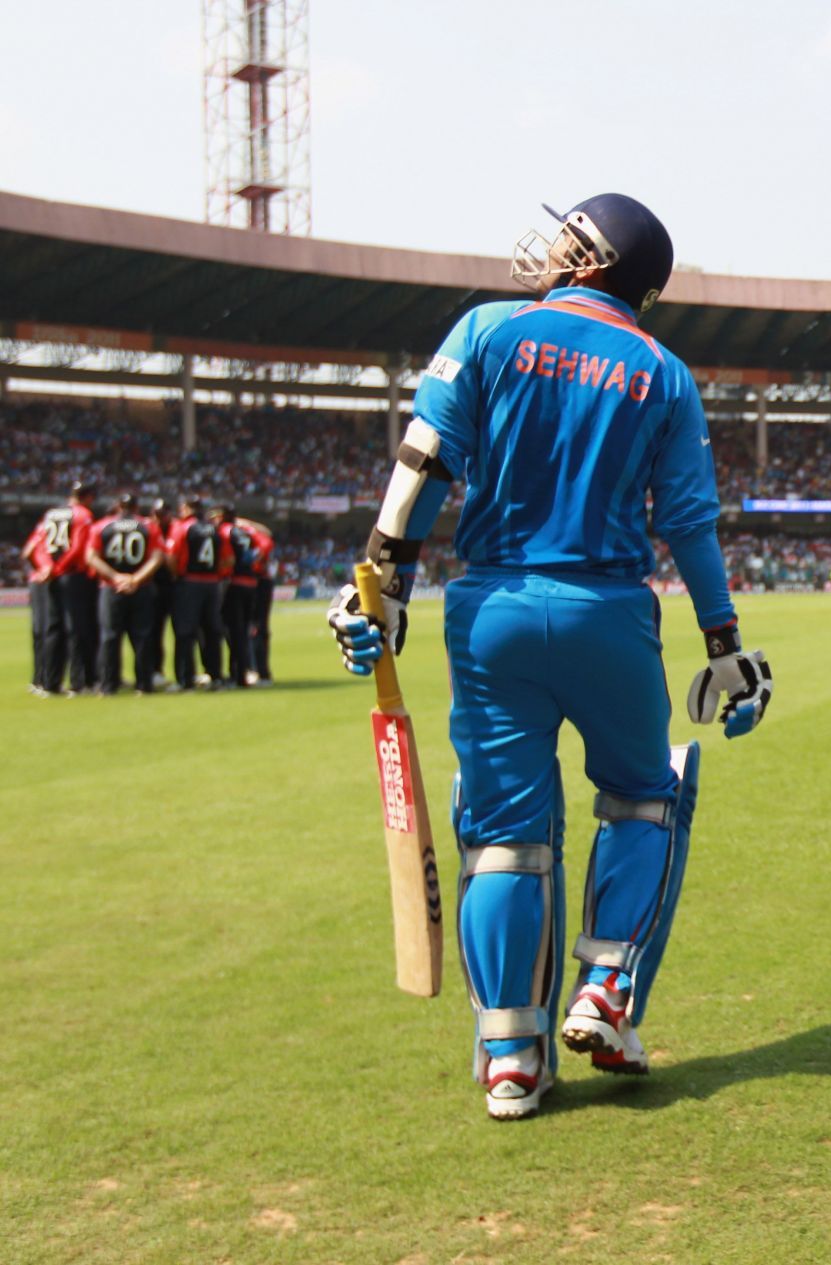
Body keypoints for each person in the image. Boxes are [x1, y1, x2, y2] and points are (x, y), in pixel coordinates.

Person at [326, 192, 773, 1121]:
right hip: (609, 612)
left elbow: (420, 465)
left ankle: (510, 1061)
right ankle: (605, 990)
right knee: (644, 796)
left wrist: (382, 584)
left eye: (572, 237)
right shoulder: (662, 369)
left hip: (489, 608)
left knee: (503, 838)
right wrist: (724, 640)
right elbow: (687, 522)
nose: (555, 248)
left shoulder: (489, 329)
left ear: (595, 258)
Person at [84, 493, 165, 695]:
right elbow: (157, 557)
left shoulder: (101, 526)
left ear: (118, 506)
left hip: (110, 588)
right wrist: (135, 579)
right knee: (142, 636)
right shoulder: (148, 526)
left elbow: (91, 557)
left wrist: (115, 577)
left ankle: (108, 685)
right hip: (141, 587)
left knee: (110, 636)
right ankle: (144, 684)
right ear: (137, 507)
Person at [167, 496, 232, 689]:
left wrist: (177, 575)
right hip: (212, 585)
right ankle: (216, 676)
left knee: (185, 632)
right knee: (212, 631)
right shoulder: (215, 530)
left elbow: (171, 556)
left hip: (189, 583)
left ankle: (185, 679)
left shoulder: (182, 527)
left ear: (187, 508)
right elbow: (228, 560)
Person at [43, 483, 101, 695]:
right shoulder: (83, 515)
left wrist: (48, 568)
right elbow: (78, 548)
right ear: (88, 497)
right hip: (73, 575)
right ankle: (79, 682)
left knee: (54, 627)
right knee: (77, 628)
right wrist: (60, 568)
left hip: (53, 576)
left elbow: (40, 543)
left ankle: (50, 682)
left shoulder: (52, 514)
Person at [218, 505, 259, 688]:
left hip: (234, 583)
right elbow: (258, 551)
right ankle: (243, 672)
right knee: (242, 632)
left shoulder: (224, 532)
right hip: (250, 583)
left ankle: (236, 676)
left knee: (232, 632)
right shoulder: (245, 532)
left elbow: (228, 559)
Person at [20, 516, 60, 697]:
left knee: (39, 632)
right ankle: (44, 680)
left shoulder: (42, 527)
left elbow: (28, 552)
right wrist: (44, 568)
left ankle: (38, 679)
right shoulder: (46, 528)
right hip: (46, 579)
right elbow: (28, 552)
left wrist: (38, 568)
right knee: (48, 631)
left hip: (37, 579)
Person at [241, 515, 277, 685]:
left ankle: (256, 670)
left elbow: (266, 540)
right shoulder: (249, 533)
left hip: (254, 582)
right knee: (255, 629)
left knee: (254, 629)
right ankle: (258, 671)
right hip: (258, 581)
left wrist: (245, 523)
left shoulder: (245, 532)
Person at [144, 498, 175, 691]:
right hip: (152, 586)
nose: (159, 517)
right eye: (156, 513)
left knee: (184, 631)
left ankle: (185, 673)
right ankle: (154, 671)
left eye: (162, 514)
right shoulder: (147, 530)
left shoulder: (176, 529)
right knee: (154, 632)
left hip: (173, 586)